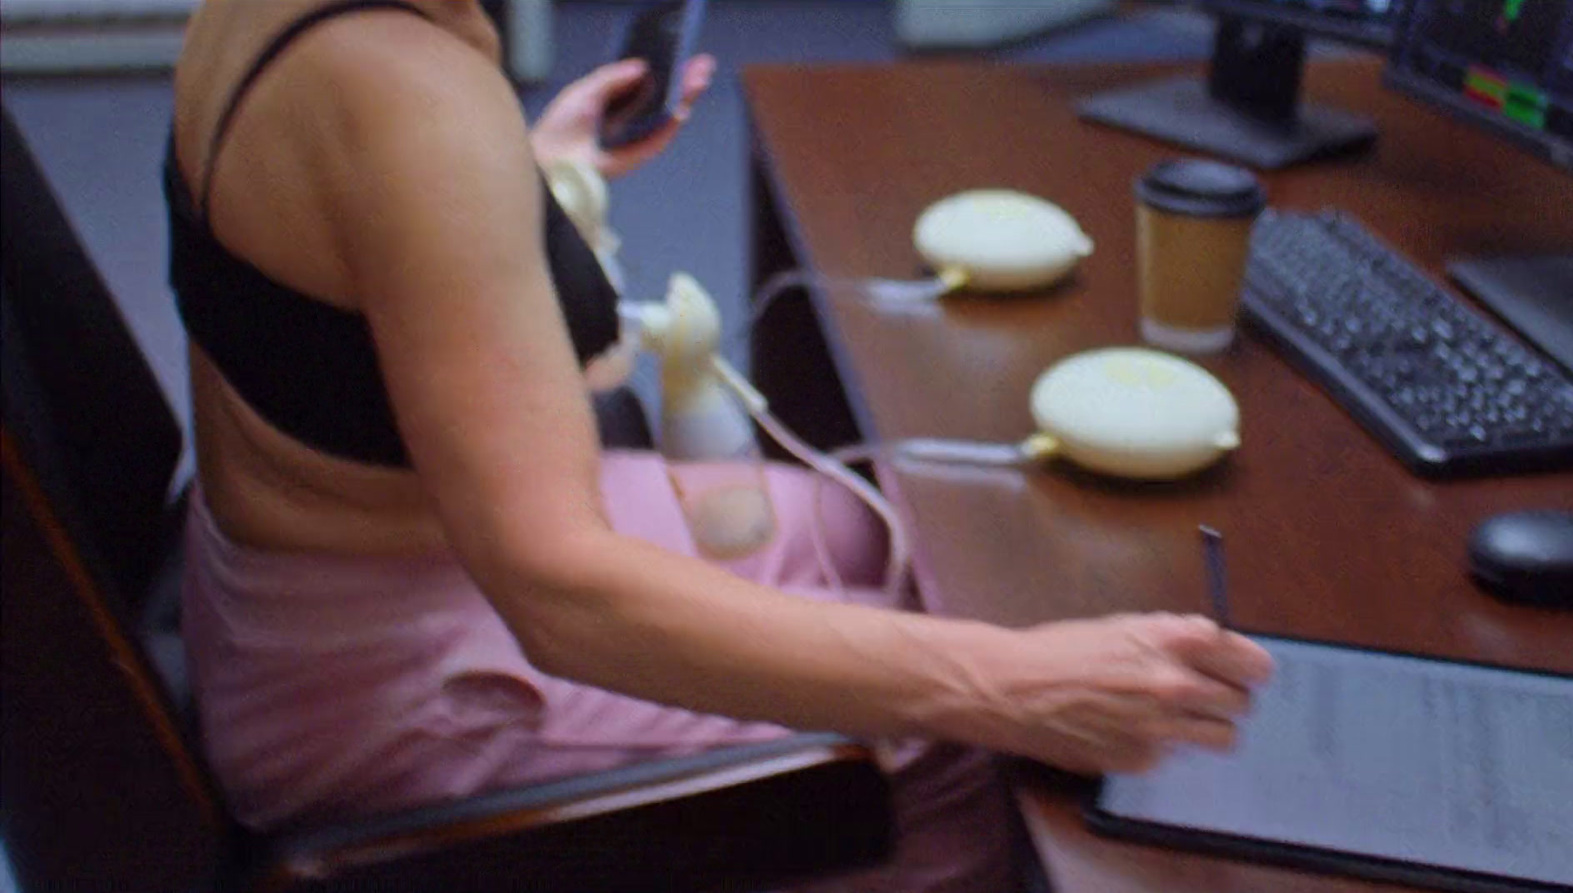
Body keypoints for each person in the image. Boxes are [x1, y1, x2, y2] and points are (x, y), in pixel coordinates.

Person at [167, 1, 1275, 889]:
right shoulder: (404, 96)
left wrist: (535, 177)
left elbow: (345, 252)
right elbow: (561, 597)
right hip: (384, 681)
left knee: (875, 527)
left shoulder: (317, 27)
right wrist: (1008, 685)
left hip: (314, 579)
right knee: (935, 748)